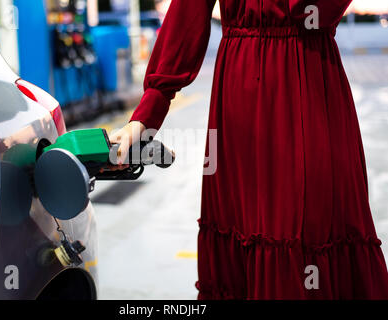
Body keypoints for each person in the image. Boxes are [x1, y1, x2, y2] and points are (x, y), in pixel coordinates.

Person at [109, 0, 388, 299]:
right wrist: (146, 114)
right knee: (248, 229)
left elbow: (312, 10)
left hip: (308, 84)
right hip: (241, 98)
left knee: (311, 224)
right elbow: (188, 12)